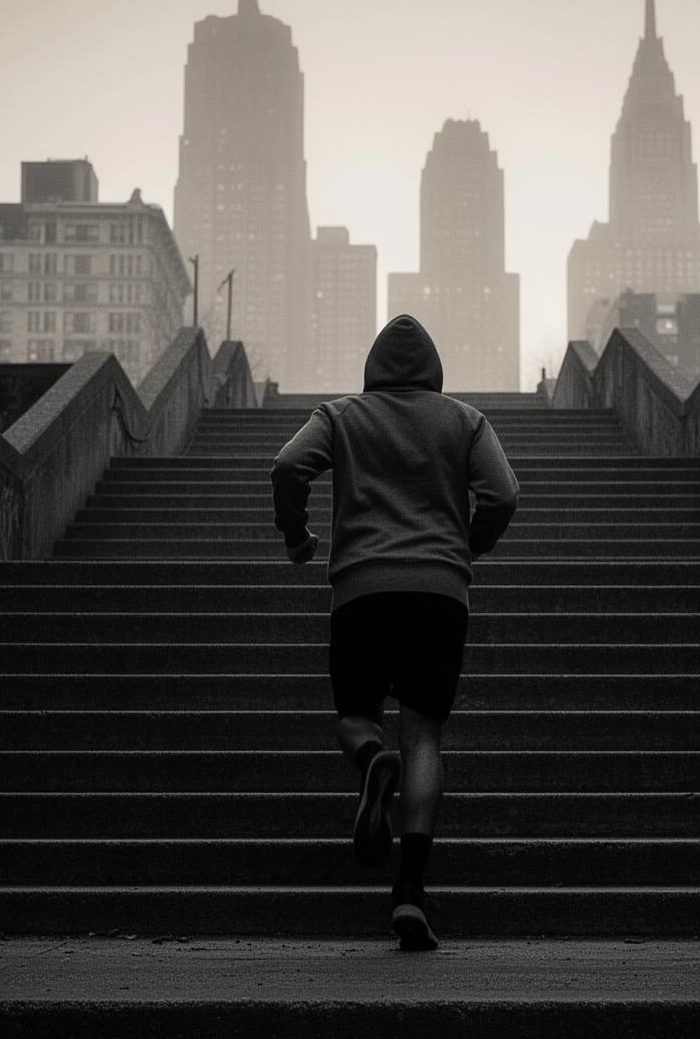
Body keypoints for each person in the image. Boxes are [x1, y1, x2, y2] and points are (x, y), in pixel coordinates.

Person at [270, 314, 519, 951]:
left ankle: (369, 760)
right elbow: (504, 492)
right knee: (425, 737)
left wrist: (297, 537)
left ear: (373, 369)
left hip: (361, 589)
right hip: (440, 594)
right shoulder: (465, 421)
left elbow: (287, 465)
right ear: (435, 372)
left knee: (356, 717)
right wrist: (468, 545)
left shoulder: (341, 415)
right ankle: (409, 893)